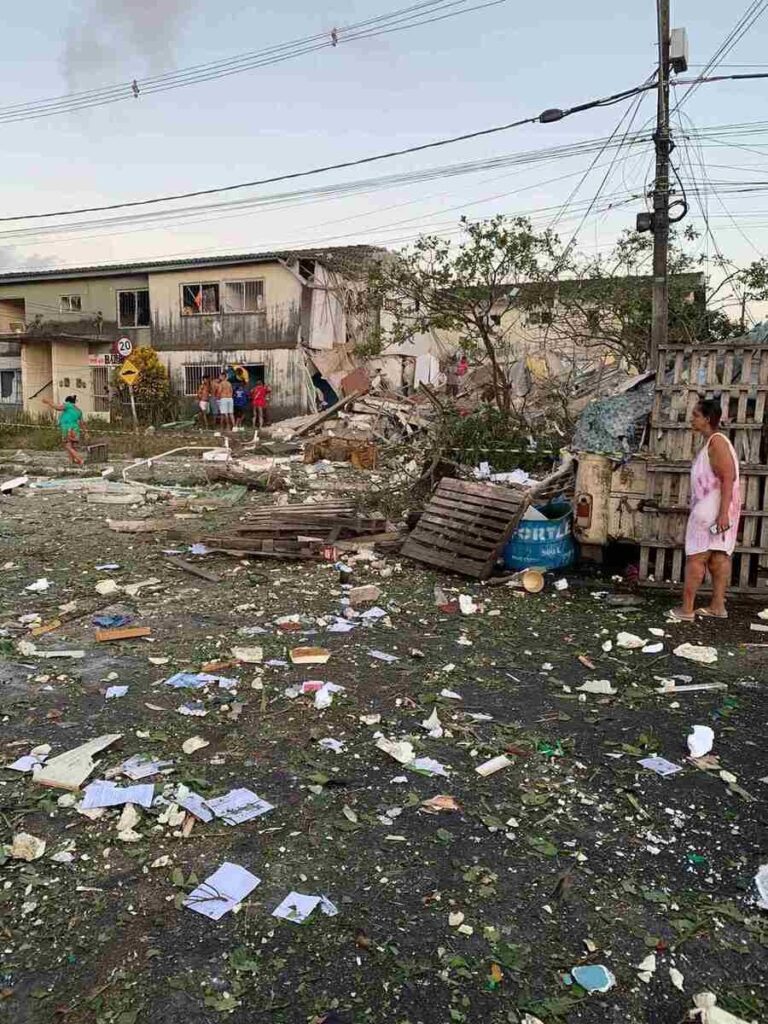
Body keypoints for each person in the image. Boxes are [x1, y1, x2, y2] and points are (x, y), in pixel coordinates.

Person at [671, 397, 741, 621]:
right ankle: (717, 606)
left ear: (707, 419)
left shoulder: (717, 442)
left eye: (696, 415)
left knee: (696, 557)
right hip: (720, 509)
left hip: (712, 510)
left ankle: (687, 609)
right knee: (718, 557)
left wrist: (721, 513)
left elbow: (728, 477)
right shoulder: (714, 442)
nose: (692, 419)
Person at [42, 394, 88, 466]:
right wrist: (86, 432)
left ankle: (79, 460)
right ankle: (71, 461)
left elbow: (58, 408)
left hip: (67, 428)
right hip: (75, 428)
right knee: (72, 446)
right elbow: (82, 423)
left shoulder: (68, 406)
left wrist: (49, 402)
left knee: (68, 446)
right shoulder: (79, 410)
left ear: (68, 401)